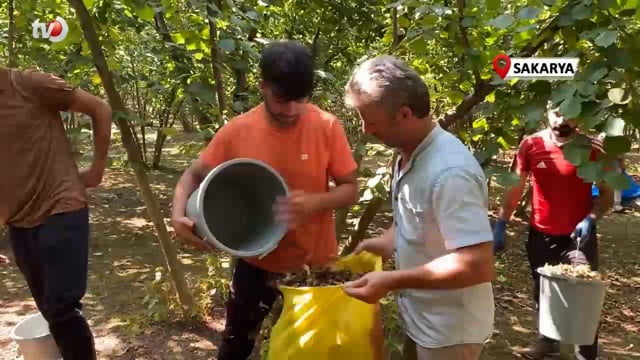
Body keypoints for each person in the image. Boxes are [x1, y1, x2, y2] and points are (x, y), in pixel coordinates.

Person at [170, 40, 359, 360]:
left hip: (314, 265)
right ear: (263, 87)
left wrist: (314, 202)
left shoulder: (326, 126)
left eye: (299, 100)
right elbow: (193, 175)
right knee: (235, 346)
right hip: (256, 266)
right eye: (281, 99)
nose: (290, 110)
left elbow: (350, 189)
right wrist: (178, 215)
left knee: (311, 351)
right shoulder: (238, 131)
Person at [341, 55, 495, 360]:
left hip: (449, 332)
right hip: (422, 317)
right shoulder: (410, 153)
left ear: (404, 114)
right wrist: (388, 241)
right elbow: (420, 215)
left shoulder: (450, 173)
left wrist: (391, 280)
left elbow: (476, 264)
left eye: (370, 121)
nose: (366, 129)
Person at [0, 67, 112, 359]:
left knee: (61, 306)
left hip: (60, 206)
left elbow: (99, 108)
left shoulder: (28, 84)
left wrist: (97, 168)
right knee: (50, 310)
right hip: (18, 222)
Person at [493, 103, 614, 360]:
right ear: (546, 112)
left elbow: (606, 195)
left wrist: (591, 218)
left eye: (570, 115)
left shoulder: (592, 149)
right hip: (541, 233)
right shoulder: (531, 146)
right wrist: (502, 222)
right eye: (557, 113)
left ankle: (586, 351)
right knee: (542, 290)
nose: (563, 121)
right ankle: (548, 340)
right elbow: (515, 187)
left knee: (582, 290)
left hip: (578, 237)